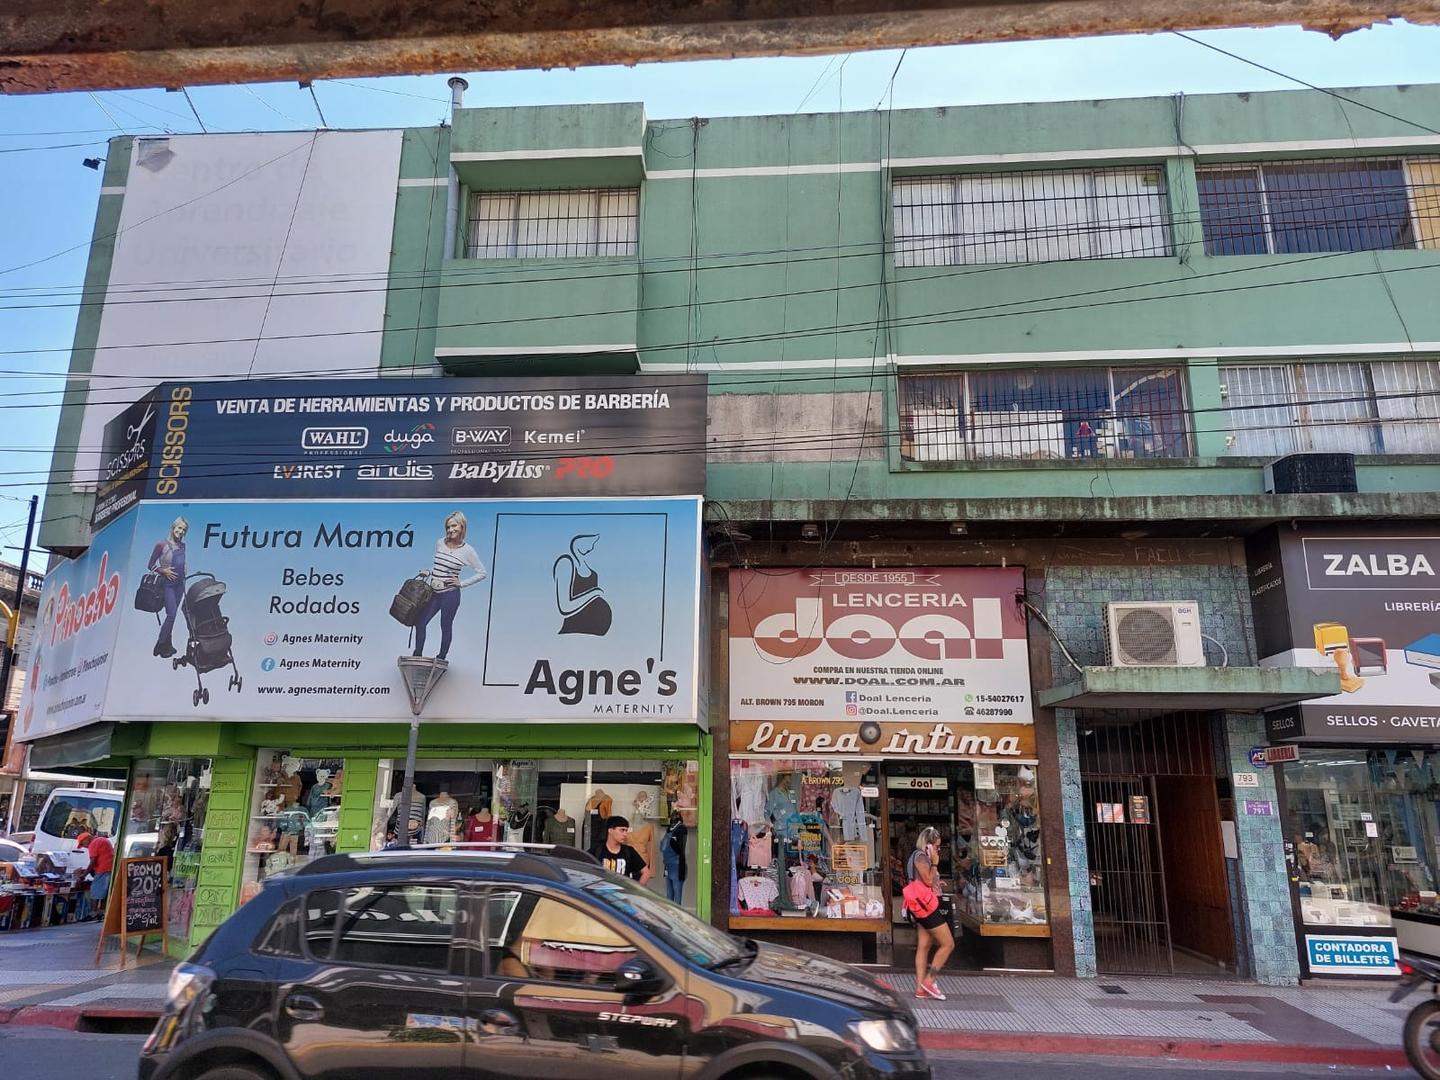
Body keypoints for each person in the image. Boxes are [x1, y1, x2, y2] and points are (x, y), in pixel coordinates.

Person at [413, 511, 487, 661]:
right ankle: (417, 656)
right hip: (433, 593)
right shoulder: (440, 542)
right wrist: (429, 572)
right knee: (420, 623)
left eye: (454, 526)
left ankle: (441, 658)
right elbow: (441, 565)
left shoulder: (468, 551)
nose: (450, 529)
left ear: (462, 526)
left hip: (450, 595)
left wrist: (462, 583)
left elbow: (482, 573)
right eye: (448, 527)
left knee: (445, 626)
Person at [907, 827, 953, 1002]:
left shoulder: (918, 857)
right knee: (948, 944)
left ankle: (920, 989)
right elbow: (926, 879)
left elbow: (925, 880)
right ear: (928, 845)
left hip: (921, 906)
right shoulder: (921, 857)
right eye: (937, 846)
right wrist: (934, 862)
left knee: (924, 945)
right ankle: (930, 980)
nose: (938, 850)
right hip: (927, 908)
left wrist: (936, 879)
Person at [553, 534, 612, 636]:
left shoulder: (590, 570)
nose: (591, 547)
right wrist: (595, 592)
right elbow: (565, 607)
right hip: (575, 632)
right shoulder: (565, 563)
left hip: (595, 635)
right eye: (589, 541)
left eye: (594, 543)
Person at [149, 516, 189, 658]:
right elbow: (150, 565)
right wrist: (163, 570)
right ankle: (160, 644)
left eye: (184, 530)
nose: (181, 531)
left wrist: (184, 568)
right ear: (173, 528)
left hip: (180, 584)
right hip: (168, 585)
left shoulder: (183, 546)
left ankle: (167, 644)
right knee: (171, 614)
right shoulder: (161, 545)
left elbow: (181, 562)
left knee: (173, 615)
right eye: (179, 528)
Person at [595, 815, 651, 884]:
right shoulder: (597, 850)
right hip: (600, 893)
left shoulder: (629, 851)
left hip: (621, 893)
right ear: (610, 830)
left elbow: (646, 873)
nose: (625, 834)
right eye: (622, 830)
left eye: (626, 831)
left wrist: (635, 891)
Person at [87, 831, 116, 918]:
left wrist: (84, 874)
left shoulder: (93, 843)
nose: (84, 846)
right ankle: (102, 912)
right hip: (109, 868)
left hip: (102, 869)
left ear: (87, 839)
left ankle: (92, 913)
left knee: (95, 891)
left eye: (82, 843)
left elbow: (92, 862)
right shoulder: (102, 840)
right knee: (105, 891)